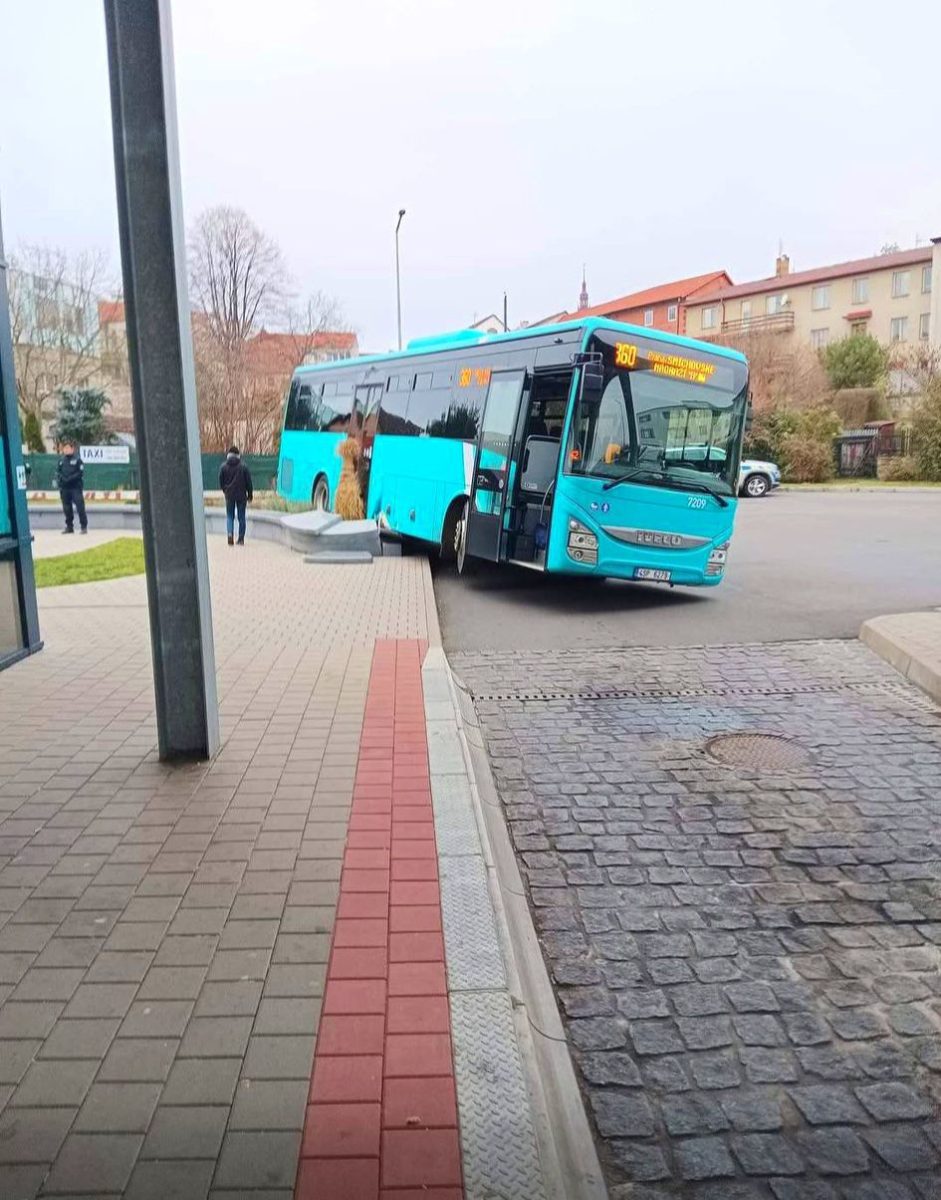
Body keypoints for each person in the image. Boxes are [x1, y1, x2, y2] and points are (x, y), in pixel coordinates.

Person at [218, 445, 253, 545]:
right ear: (238, 455)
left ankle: (230, 535)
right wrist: (250, 495)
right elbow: (249, 483)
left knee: (230, 516)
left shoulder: (223, 467)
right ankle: (241, 539)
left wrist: (225, 490)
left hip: (229, 495)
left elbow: (221, 481)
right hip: (242, 496)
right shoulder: (244, 467)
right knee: (241, 517)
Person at [55, 440, 88, 535]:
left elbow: (80, 473)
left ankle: (83, 527)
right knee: (67, 508)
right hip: (65, 488)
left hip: (75, 487)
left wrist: (69, 479)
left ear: (72, 449)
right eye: (64, 448)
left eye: (68, 448)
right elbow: (58, 472)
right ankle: (69, 527)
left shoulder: (77, 460)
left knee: (80, 507)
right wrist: (63, 479)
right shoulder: (61, 461)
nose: (66, 450)